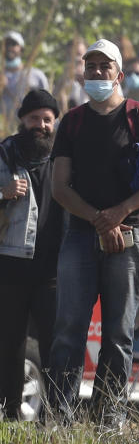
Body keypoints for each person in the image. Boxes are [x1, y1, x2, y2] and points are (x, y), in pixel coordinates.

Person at [47, 39, 139, 429]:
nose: (96, 73)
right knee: (69, 329)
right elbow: (60, 187)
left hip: (130, 234)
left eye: (104, 66)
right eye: (90, 66)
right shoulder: (73, 121)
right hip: (82, 234)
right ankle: (58, 417)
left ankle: (108, 416)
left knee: (118, 333)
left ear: (119, 73)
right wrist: (100, 219)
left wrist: (120, 213)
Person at [0, 90, 63, 420]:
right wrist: (2, 192)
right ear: (22, 121)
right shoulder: (4, 154)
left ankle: (52, 423)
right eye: (34, 119)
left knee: (56, 349)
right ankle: (8, 420)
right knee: (9, 348)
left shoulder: (64, 159)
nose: (40, 125)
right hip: (10, 270)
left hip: (52, 273)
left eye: (47, 120)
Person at [3, 31, 49, 119]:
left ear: (21, 49)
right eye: (6, 44)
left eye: (13, 44)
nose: (9, 47)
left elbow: (47, 105)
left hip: (29, 128)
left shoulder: (36, 75)